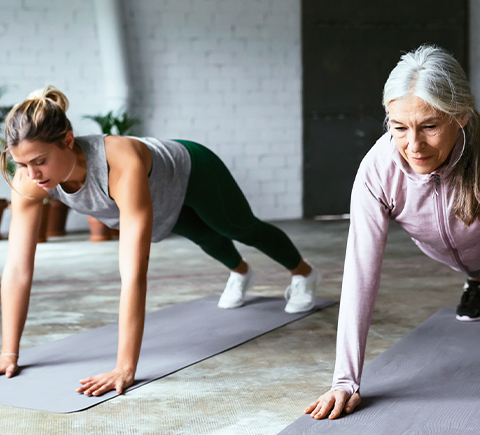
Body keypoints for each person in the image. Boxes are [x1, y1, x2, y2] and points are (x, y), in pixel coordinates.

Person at [0, 86, 318, 396]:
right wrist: (8, 353)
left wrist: (125, 367)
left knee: (238, 227)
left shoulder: (119, 162)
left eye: (39, 161)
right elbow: (17, 270)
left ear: (68, 141)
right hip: (161, 201)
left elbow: (134, 273)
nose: (32, 173)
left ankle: (303, 272)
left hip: (192, 170)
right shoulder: (29, 180)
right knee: (204, 236)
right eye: (22, 164)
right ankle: (240, 271)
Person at [305, 44, 480, 420]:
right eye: (400, 127)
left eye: (430, 126)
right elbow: (360, 272)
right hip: (457, 257)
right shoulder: (377, 170)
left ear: (461, 116)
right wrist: (344, 381)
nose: (413, 146)